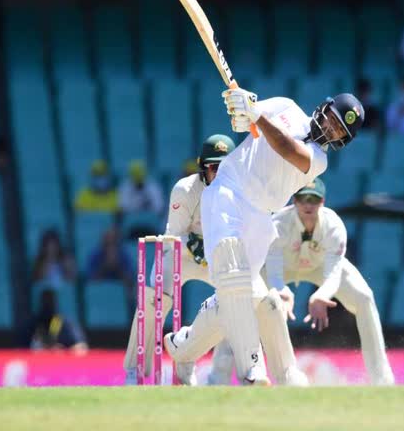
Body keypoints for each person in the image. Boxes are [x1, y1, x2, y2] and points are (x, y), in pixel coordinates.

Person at [164, 89, 365, 387]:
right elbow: (243, 123)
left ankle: (182, 346)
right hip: (229, 190)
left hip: (260, 216)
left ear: (341, 141)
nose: (331, 129)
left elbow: (287, 148)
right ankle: (252, 370)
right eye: (332, 121)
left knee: (241, 295)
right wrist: (242, 107)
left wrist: (256, 114)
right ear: (324, 109)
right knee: (233, 276)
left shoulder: (319, 160)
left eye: (339, 131)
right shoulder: (286, 107)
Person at [122, 134, 304, 386]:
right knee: (153, 299)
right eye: (214, 168)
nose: (219, 174)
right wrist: (197, 246)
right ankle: (136, 369)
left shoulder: (245, 191)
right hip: (184, 256)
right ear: (202, 168)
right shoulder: (185, 190)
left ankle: (258, 371)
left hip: (223, 258)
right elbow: (173, 238)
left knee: (261, 301)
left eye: (225, 167)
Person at [261, 178, 394, 384]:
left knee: (364, 297)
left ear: (322, 202)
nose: (308, 205)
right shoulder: (277, 224)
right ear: (294, 201)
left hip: (320, 266)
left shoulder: (334, 226)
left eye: (313, 200)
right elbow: (274, 272)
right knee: (243, 297)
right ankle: (236, 372)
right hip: (283, 267)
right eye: (303, 199)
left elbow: (333, 273)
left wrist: (321, 295)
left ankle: (382, 380)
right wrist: (281, 291)